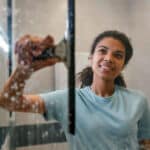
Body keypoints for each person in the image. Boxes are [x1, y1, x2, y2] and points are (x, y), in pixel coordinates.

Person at [0, 30, 150, 150]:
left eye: (118, 55)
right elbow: (8, 102)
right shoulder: (68, 100)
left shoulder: (138, 101)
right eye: (102, 51)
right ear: (91, 58)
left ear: (123, 65)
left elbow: (145, 143)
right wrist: (24, 70)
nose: (108, 58)